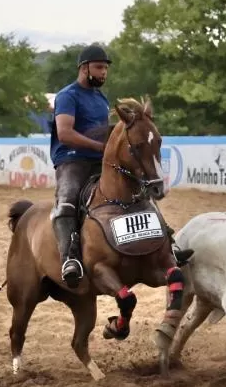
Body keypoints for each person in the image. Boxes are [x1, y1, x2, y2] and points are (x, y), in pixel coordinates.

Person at [50, 44, 192, 288]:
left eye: (105, 68)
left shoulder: (100, 98)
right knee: (67, 201)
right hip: (71, 159)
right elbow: (65, 134)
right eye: (99, 67)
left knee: (140, 189)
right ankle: (70, 259)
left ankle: (168, 243)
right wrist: (99, 148)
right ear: (84, 68)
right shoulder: (67, 96)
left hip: (101, 160)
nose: (104, 72)